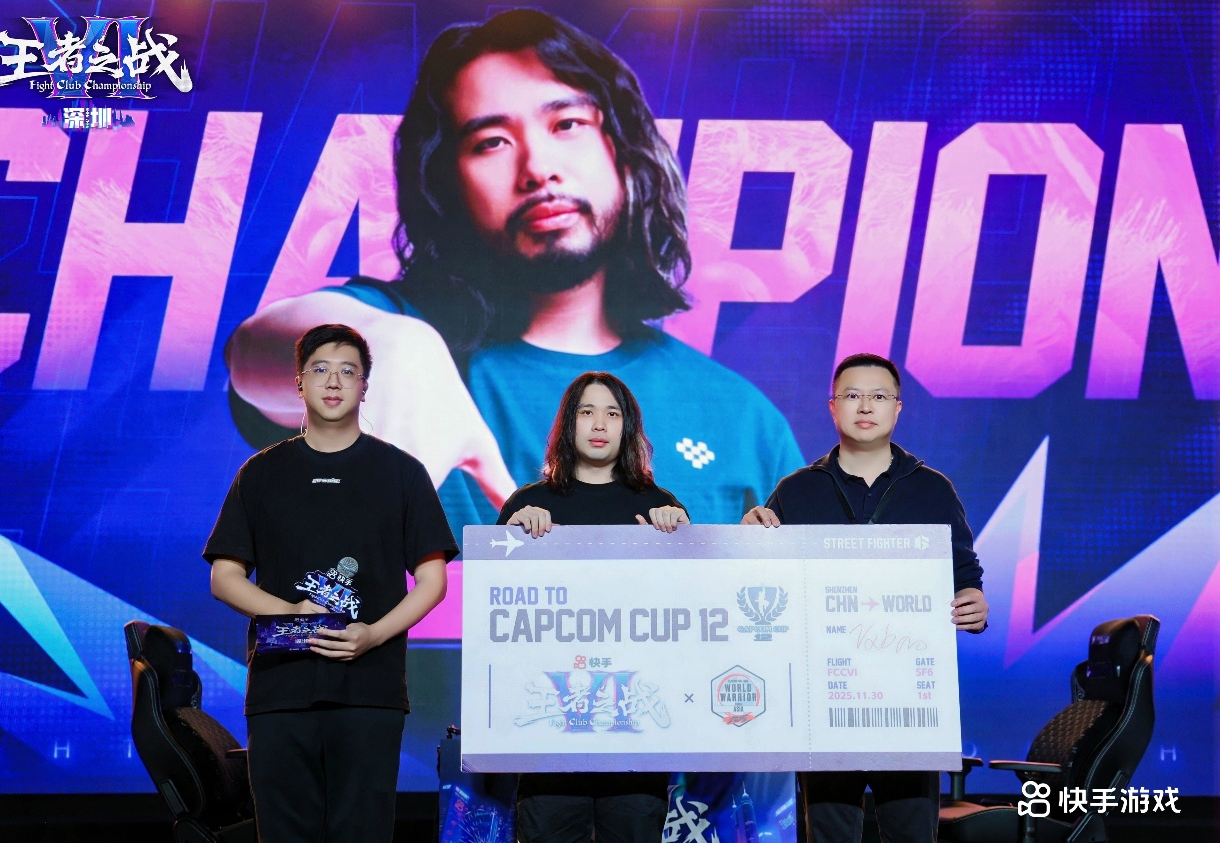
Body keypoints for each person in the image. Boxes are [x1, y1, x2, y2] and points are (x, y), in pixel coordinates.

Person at [225, 9, 800, 536]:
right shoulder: (404, 338)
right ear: (447, 183)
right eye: (492, 141)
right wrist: (384, 348)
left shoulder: (743, 418)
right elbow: (254, 354)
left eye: (567, 124)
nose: (538, 168)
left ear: (622, 151)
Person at [204, 323, 458, 843]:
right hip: (281, 690)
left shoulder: (402, 472)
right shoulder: (261, 473)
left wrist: (374, 634)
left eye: (349, 371)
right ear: (299, 382)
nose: (334, 381)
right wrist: (289, 613)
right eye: (320, 369)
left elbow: (433, 580)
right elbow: (224, 577)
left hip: (370, 689)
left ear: (365, 385)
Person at [741, 352, 988, 843]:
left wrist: (972, 601)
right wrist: (752, 535)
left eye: (879, 396)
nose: (866, 406)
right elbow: (764, 586)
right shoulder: (797, 489)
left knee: (911, 833)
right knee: (829, 832)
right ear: (833, 407)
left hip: (909, 700)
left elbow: (963, 571)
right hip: (824, 698)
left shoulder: (932, 489)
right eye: (852, 395)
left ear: (898, 408)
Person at [497, 371, 689, 842]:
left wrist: (680, 541)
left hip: (636, 727)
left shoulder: (658, 505)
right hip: (548, 725)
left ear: (628, 426)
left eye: (612, 413)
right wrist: (514, 537)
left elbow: (687, 616)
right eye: (587, 412)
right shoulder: (529, 504)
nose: (599, 424)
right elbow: (498, 614)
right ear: (569, 424)